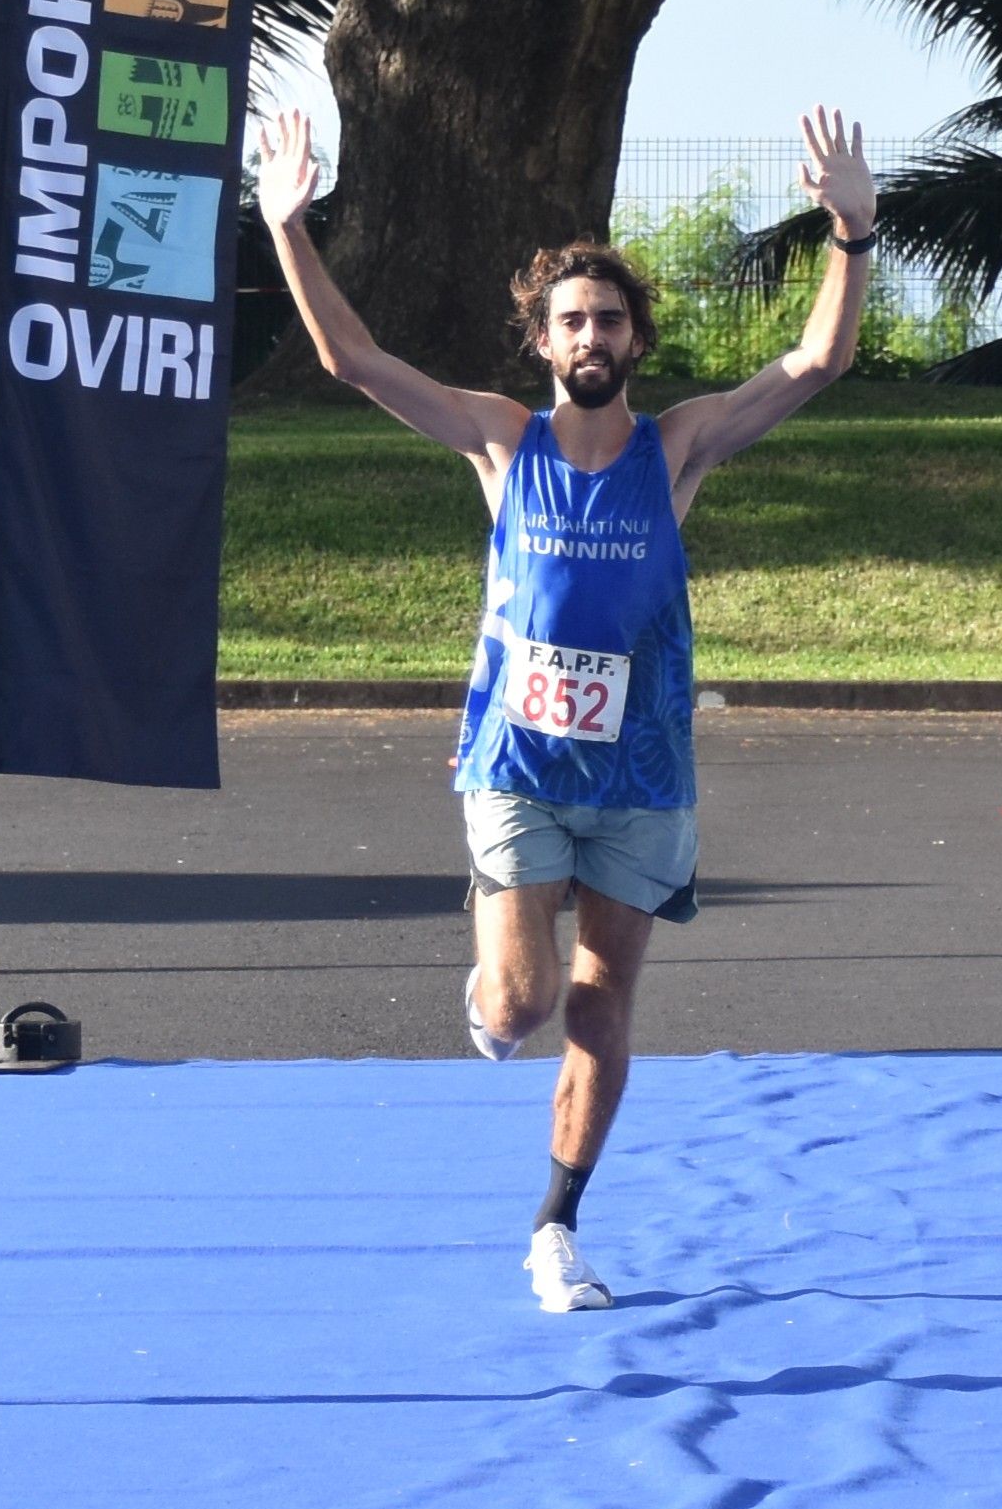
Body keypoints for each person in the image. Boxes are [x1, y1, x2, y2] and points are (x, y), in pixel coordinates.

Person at [251, 102, 879, 1314]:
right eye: (571, 320)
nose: (592, 335)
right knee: (526, 1005)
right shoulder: (501, 440)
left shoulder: (680, 446)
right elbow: (355, 364)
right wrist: (290, 229)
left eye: (610, 318)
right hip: (519, 763)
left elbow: (815, 366)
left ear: (637, 337)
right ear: (542, 342)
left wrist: (850, 236)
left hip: (641, 775)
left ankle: (556, 1226)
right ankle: (497, 940)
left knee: (602, 1006)